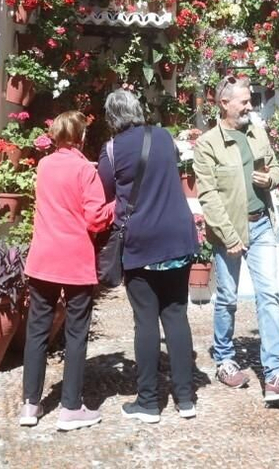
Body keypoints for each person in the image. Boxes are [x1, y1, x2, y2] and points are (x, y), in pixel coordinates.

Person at [192, 75, 279, 402]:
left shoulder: (257, 132)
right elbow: (208, 196)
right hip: (228, 231)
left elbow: (276, 168)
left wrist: (270, 179)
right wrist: (229, 236)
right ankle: (225, 359)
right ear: (223, 103)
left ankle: (276, 373)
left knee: (269, 294)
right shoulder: (208, 144)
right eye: (243, 101)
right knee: (227, 298)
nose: (249, 106)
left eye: (250, 100)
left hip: (261, 226)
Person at [97, 88, 200, 423]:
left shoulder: (112, 150)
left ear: (111, 117)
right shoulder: (164, 137)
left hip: (141, 241)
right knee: (176, 315)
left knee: (145, 320)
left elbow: (105, 191)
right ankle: (185, 399)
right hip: (178, 237)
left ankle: (148, 402)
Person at [19, 111, 114, 432]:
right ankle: (71, 407)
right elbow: (95, 219)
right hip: (75, 260)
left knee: (37, 331)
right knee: (75, 333)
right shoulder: (86, 171)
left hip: (43, 258)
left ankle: (30, 404)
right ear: (82, 137)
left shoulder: (44, 166)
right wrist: (117, 206)